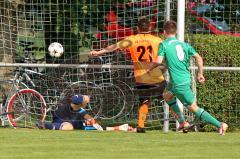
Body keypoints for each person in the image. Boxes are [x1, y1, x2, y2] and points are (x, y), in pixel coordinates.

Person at [90, 18, 187, 133]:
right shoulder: (157, 40)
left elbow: (114, 47)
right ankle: (182, 123)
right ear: (150, 28)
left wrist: (98, 52)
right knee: (170, 99)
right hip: (157, 77)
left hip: (141, 78)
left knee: (144, 102)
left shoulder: (132, 40)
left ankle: (141, 125)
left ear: (137, 28)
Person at [148, 20, 228, 135]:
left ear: (164, 32)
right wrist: (200, 74)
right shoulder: (184, 45)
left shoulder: (164, 44)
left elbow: (157, 61)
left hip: (179, 83)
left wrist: (148, 69)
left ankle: (220, 125)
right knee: (167, 95)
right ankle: (182, 123)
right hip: (181, 80)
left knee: (194, 108)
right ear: (175, 32)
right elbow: (199, 58)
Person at [36, 94, 103, 131]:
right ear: (81, 104)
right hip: (61, 119)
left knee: (73, 125)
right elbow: (89, 118)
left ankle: (46, 125)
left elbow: (90, 120)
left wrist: (112, 128)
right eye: (86, 103)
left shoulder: (76, 106)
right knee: (69, 127)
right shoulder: (76, 109)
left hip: (69, 119)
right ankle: (45, 125)